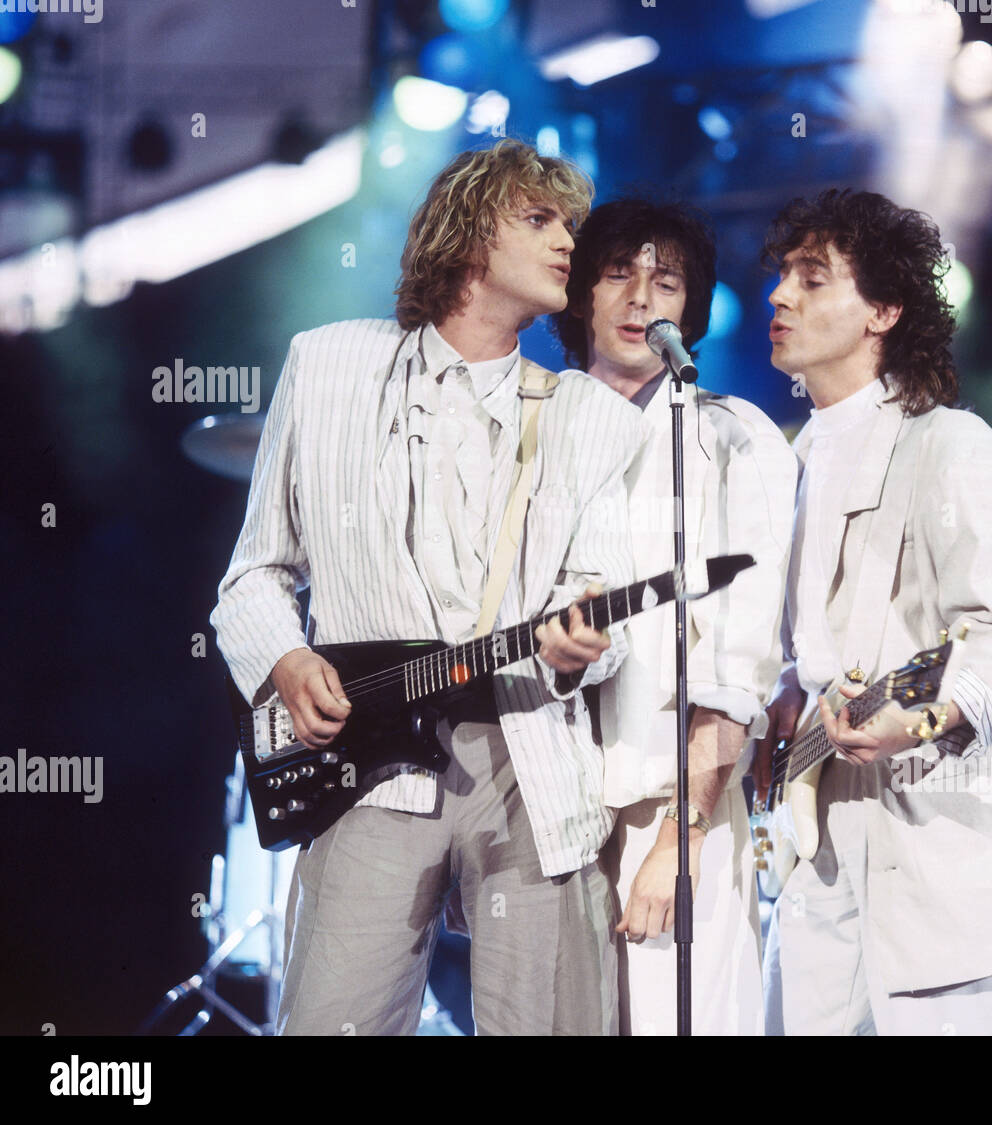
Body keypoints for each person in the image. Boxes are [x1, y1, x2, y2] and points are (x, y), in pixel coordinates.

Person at [210, 139, 645, 1036]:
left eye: (569, 221)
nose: (569, 240)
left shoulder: (592, 419)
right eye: (539, 219)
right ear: (470, 232)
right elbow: (253, 573)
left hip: (529, 758)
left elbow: (610, 604)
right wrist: (284, 658)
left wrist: (585, 645)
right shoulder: (327, 365)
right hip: (369, 766)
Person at [755, 189, 992, 1036]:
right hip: (817, 841)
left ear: (884, 309)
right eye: (782, 276)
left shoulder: (951, 444)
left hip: (941, 844)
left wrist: (928, 716)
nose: (779, 297)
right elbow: (809, 650)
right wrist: (788, 697)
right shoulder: (786, 463)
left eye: (811, 277)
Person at [551, 198, 797, 1035]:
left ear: (689, 309)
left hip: (670, 804)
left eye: (666, 279)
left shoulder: (731, 439)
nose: (639, 298)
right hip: (542, 817)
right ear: (580, 292)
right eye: (617, 272)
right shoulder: (531, 430)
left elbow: (740, 660)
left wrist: (679, 839)